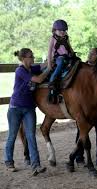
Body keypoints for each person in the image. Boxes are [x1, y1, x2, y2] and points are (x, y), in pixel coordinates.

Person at [4, 48, 50, 176]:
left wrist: (50, 61)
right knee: (12, 135)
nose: (33, 58)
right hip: (15, 108)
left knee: (31, 136)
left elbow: (43, 65)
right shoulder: (20, 70)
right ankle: (9, 161)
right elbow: (39, 79)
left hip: (29, 108)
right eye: (31, 56)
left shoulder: (32, 68)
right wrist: (49, 69)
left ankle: (36, 166)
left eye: (33, 55)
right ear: (23, 58)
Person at [75, 48, 97, 168]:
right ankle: (79, 158)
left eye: (93, 53)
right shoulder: (82, 67)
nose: (90, 54)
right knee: (81, 132)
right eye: (89, 52)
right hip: (83, 107)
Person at [47, 19, 74, 103]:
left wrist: (73, 53)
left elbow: (69, 47)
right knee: (61, 62)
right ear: (54, 30)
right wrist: (49, 63)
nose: (62, 32)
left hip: (67, 56)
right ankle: (52, 80)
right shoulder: (53, 38)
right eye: (60, 30)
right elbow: (49, 50)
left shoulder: (66, 37)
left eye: (64, 30)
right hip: (58, 58)